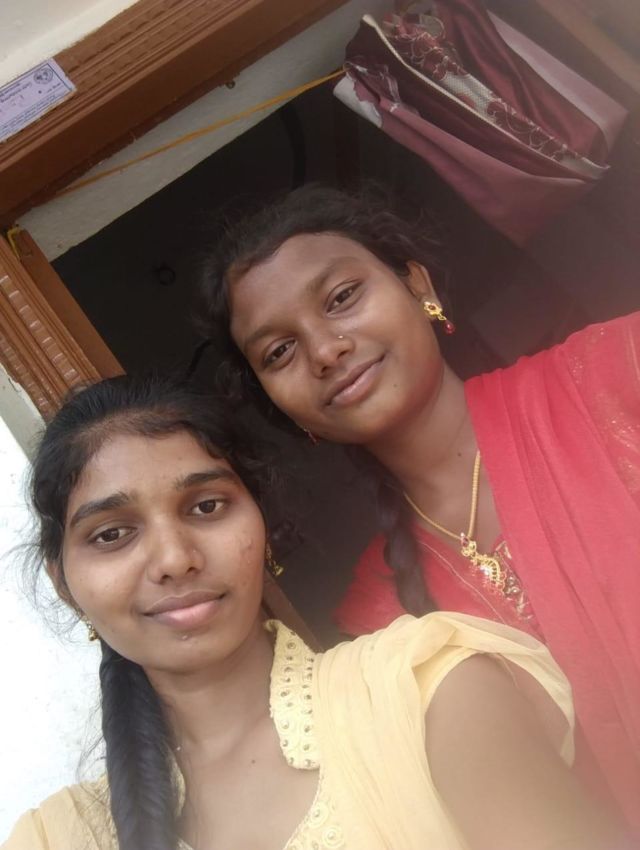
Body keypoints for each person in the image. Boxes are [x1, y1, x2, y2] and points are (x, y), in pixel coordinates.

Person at [3, 374, 618, 850]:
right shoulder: (52, 838)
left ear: (263, 527)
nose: (174, 559)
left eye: (207, 507)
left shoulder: (430, 695)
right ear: (65, 584)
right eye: (112, 534)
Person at [198, 183, 640, 836]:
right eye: (279, 352)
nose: (325, 351)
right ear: (281, 410)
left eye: (341, 298)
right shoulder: (377, 623)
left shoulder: (616, 374)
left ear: (417, 285)